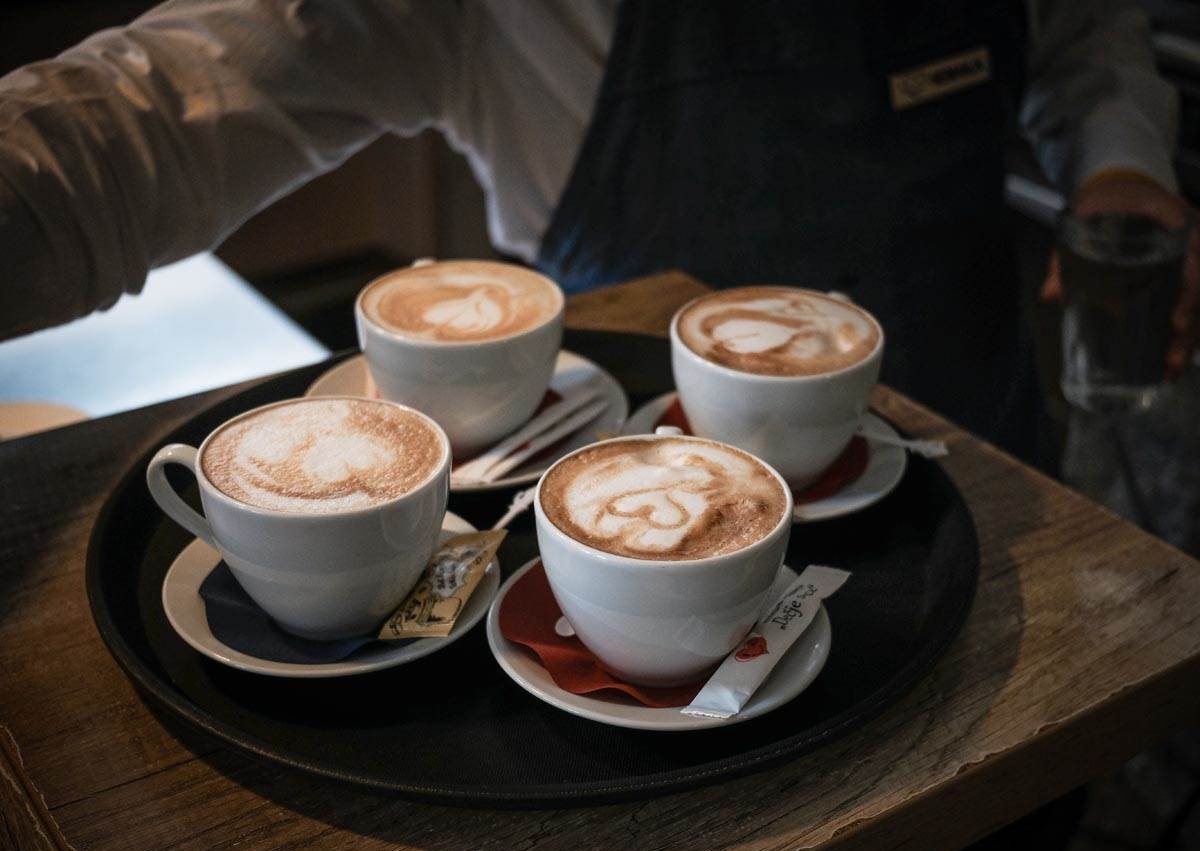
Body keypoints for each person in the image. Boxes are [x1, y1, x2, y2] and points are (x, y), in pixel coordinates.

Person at [0, 0, 1195, 465]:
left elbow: (1089, 38)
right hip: (638, 561)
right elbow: (136, 123)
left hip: (992, 460)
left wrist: (1126, 166)